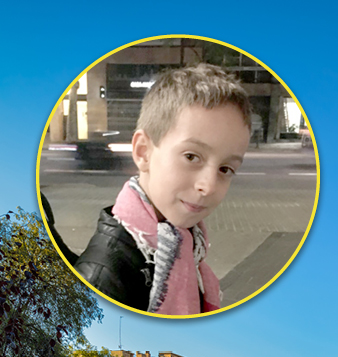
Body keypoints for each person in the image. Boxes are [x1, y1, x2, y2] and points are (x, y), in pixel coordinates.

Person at [74, 64, 252, 315]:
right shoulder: (103, 281)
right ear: (143, 152)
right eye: (191, 157)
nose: (208, 186)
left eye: (225, 169)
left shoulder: (182, 244)